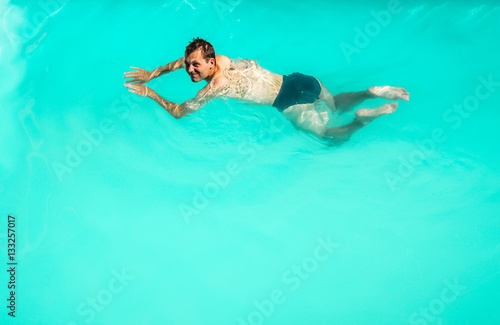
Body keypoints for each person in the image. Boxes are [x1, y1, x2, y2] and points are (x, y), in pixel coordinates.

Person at [124, 37, 409, 143]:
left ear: (210, 63)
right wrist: (153, 73)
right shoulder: (221, 59)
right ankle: (371, 92)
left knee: (327, 137)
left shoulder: (214, 88)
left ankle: (361, 120)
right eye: (189, 66)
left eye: (195, 66)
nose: (190, 70)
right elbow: (178, 62)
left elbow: (178, 113)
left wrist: (151, 92)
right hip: (299, 80)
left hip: (288, 100)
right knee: (333, 104)